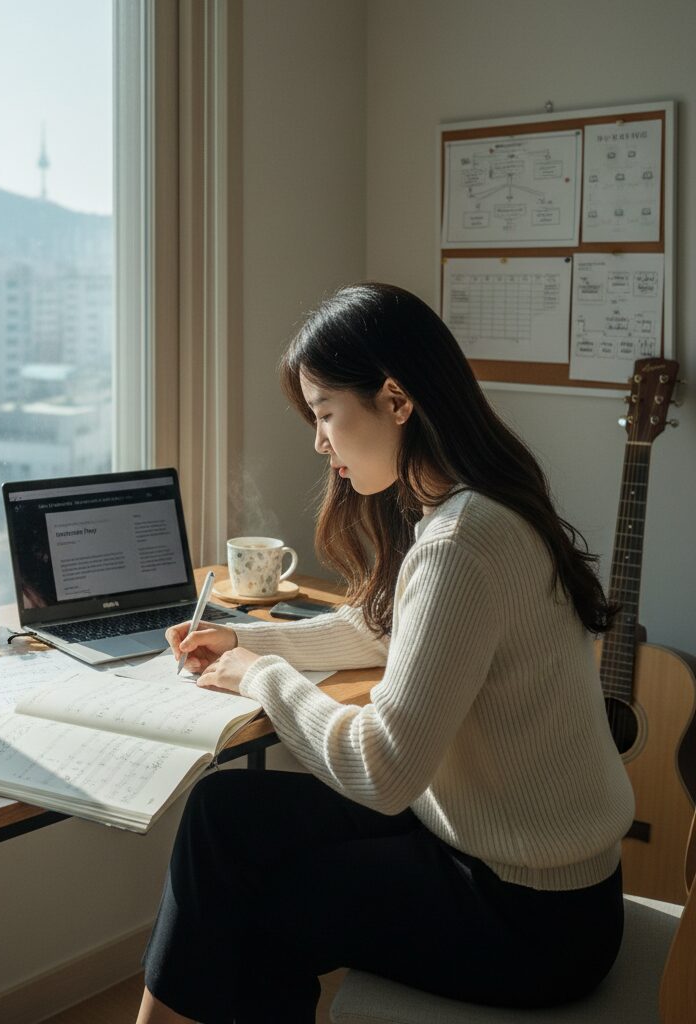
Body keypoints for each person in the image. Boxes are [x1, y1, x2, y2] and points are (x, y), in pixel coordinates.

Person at [134, 283, 634, 1024]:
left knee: (257, 910)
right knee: (223, 813)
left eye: (325, 413)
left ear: (396, 401)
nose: (319, 441)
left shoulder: (463, 539)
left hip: (533, 918)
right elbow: (394, 633)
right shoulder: (473, 506)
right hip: (504, 858)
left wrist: (263, 676)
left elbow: (385, 770)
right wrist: (245, 639)